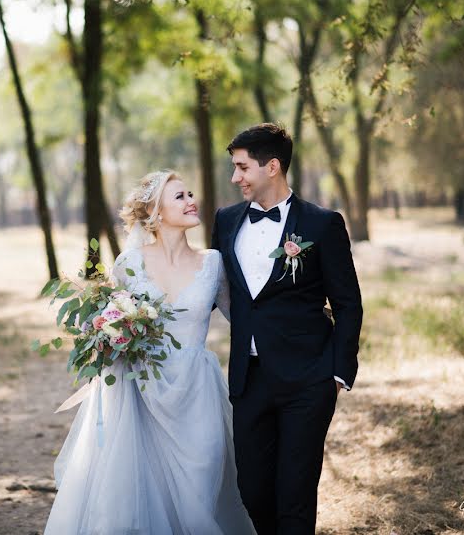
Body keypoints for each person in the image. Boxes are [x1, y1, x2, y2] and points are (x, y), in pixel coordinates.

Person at [45, 170, 256, 535]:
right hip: (141, 388)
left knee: (203, 471)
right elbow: (110, 319)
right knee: (141, 486)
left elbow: (244, 317)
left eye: (190, 193)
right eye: (179, 196)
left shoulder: (213, 263)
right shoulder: (129, 264)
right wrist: (106, 336)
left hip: (196, 390)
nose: (192, 201)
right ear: (155, 213)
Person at [211, 123, 363, 535]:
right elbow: (215, 289)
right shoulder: (225, 222)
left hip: (308, 381)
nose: (235, 177)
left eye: (242, 168)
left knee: (295, 496)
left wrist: (337, 374)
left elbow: (348, 304)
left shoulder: (322, 224)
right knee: (253, 490)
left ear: (272, 166)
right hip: (249, 379)